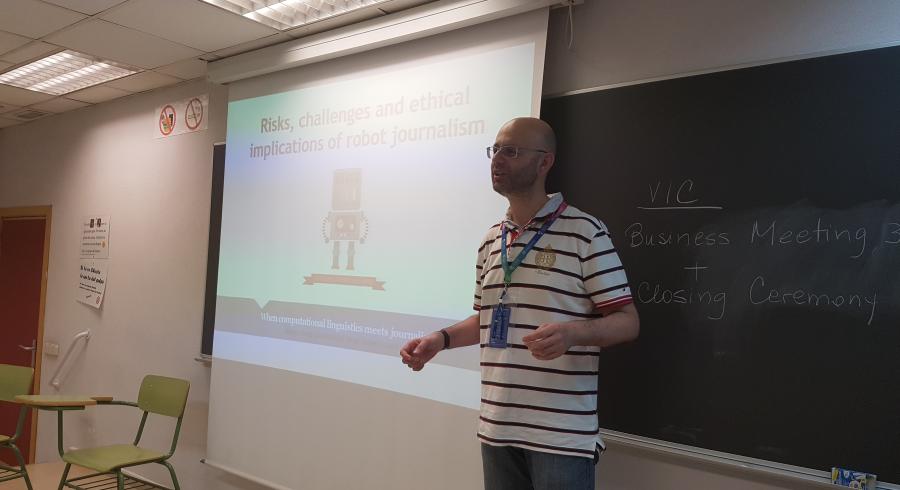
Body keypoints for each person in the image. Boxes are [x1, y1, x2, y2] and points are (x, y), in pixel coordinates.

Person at [400, 117, 639, 490]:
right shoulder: (490, 240)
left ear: (545, 162)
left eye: (511, 151)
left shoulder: (586, 233)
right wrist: (440, 340)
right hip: (497, 428)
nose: (497, 159)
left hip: (560, 437)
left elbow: (627, 321)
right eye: (495, 150)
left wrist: (572, 334)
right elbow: (486, 319)